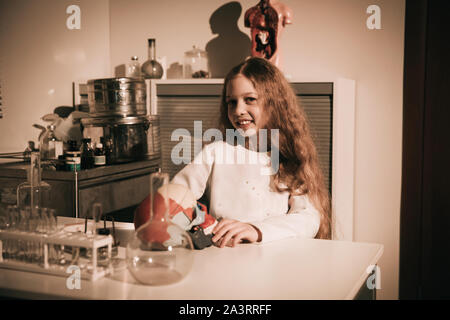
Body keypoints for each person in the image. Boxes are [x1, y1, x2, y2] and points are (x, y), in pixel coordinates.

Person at [171, 57, 331, 248]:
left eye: (250, 100)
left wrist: (256, 230)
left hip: (274, 261)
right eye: (231, 102)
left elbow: (308, 218)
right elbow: (176, 196)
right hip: (223, 255)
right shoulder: (216, 152)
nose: (239, 110)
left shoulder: (288, 157)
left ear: (275, 104)